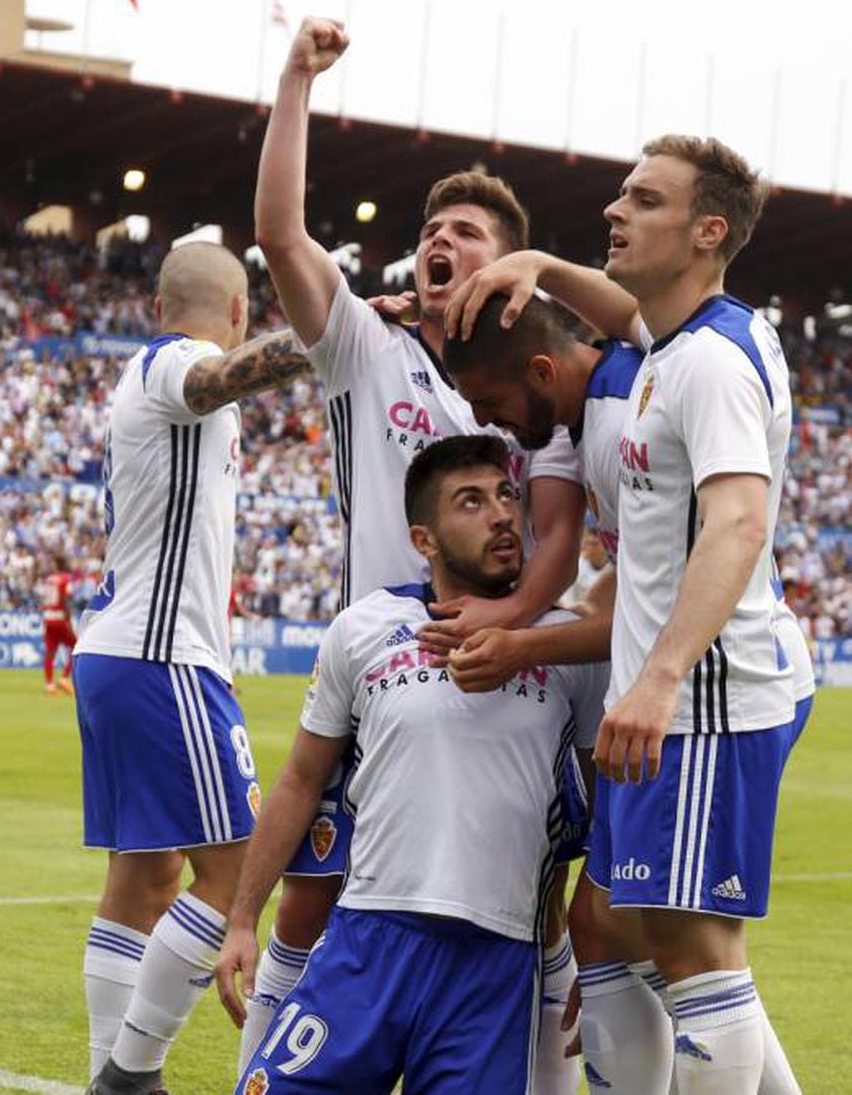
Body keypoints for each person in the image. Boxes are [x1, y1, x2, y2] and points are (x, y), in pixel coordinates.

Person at [248, 17, 586, 1088]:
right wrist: (296, 78)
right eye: (431, 227)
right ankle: (253, 1061)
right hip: (381, 674)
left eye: (469, 231)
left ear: (512, 266)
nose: (440, 239)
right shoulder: (368, 343)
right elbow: (283, 238)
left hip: (523, 678)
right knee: (312, 896)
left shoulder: (544, 383)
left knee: (528, 913)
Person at [444, 291, 812, 1094]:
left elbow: (669, 591)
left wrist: (521, 646)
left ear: (543, 370)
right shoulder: (615, 396)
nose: (500, 424)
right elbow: (635, 585)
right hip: (683, 686)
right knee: (602, 926)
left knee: (683, 945)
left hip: (710, 694)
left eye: (495, 404)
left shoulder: (622, 414)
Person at [216, 435, 608, 1095]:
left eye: (507, 495)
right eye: (472, 501)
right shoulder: (364, 627)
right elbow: (301, 780)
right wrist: (242, 919)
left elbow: (607, 804)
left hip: (497, 963)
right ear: (424, 539)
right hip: (369, 938)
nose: (502, 514)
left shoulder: (565, 643)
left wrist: (595, 946)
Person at [73, 241, 314, 1095]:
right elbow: (217, 382)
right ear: (241, 313)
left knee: (146, 875)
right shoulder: (181, 364)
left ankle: (115, 1067)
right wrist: (324, 334)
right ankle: (130, 1075)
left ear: (156, 302)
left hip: (131, 653)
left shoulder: (141, 371)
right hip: (157, 655)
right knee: (238, 866)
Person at [42, 555, 78, 695]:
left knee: (50, 651)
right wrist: (68, 617)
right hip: (59, 617)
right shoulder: (65, 579)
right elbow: (65, 598)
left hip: (48, 617)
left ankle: (49, 684)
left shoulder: (49, 579)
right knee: (76, 647)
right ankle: (64, 677)